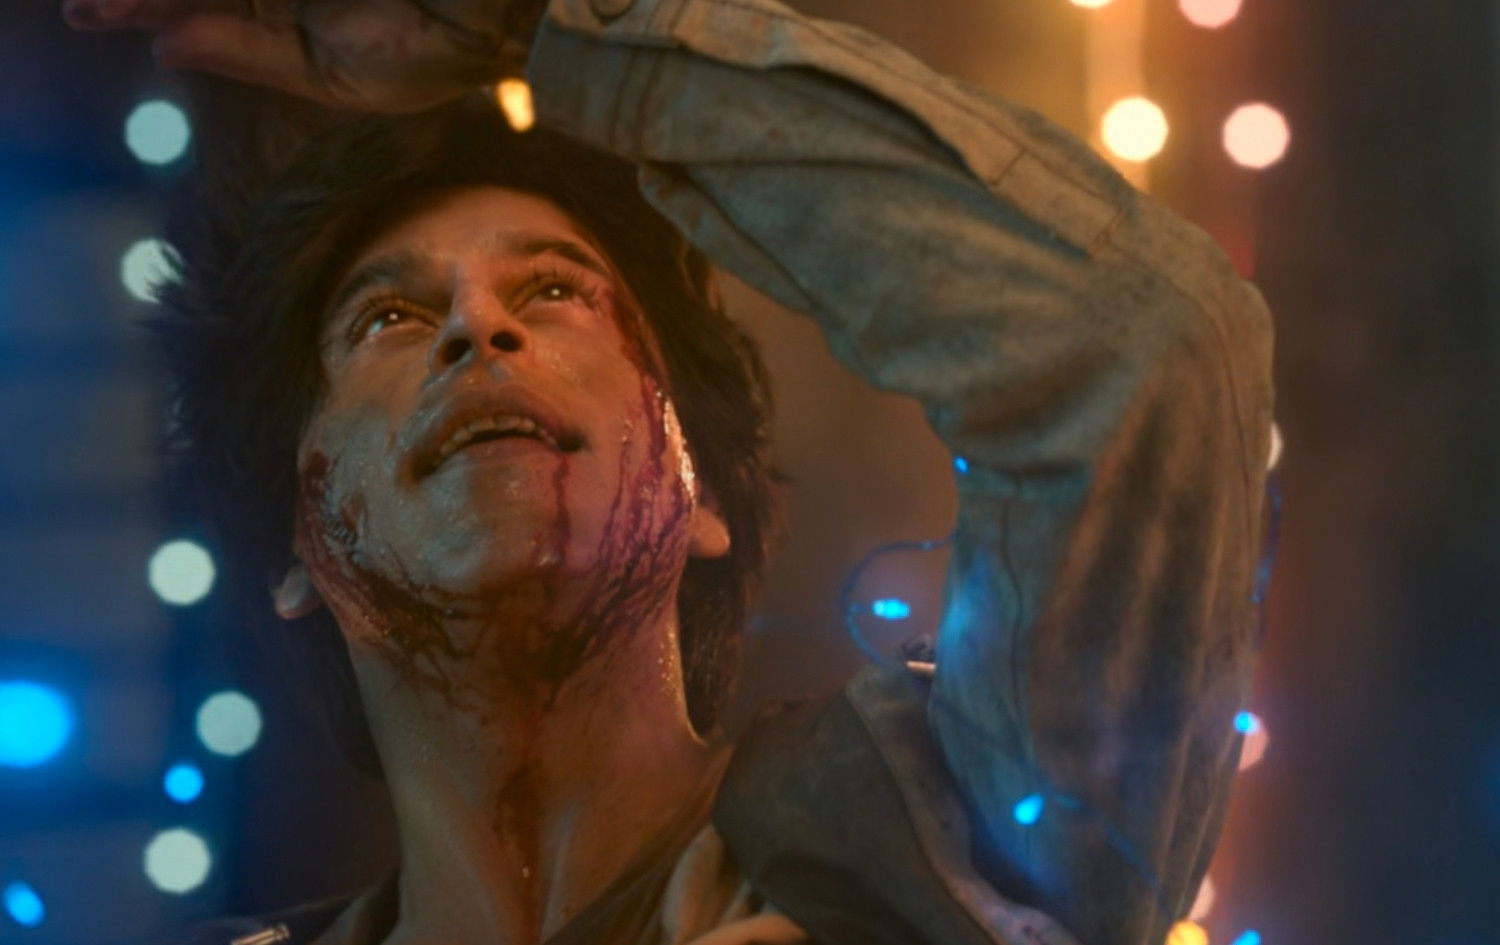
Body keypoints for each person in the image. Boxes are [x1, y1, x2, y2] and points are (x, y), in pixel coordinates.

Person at [65, 1, 1275, 944]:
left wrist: (546, 31)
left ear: (699, 491)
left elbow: (1138, 352)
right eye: (387, 318)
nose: (476, 328)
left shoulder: (943, 845)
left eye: (555, 290)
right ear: (292, 548)